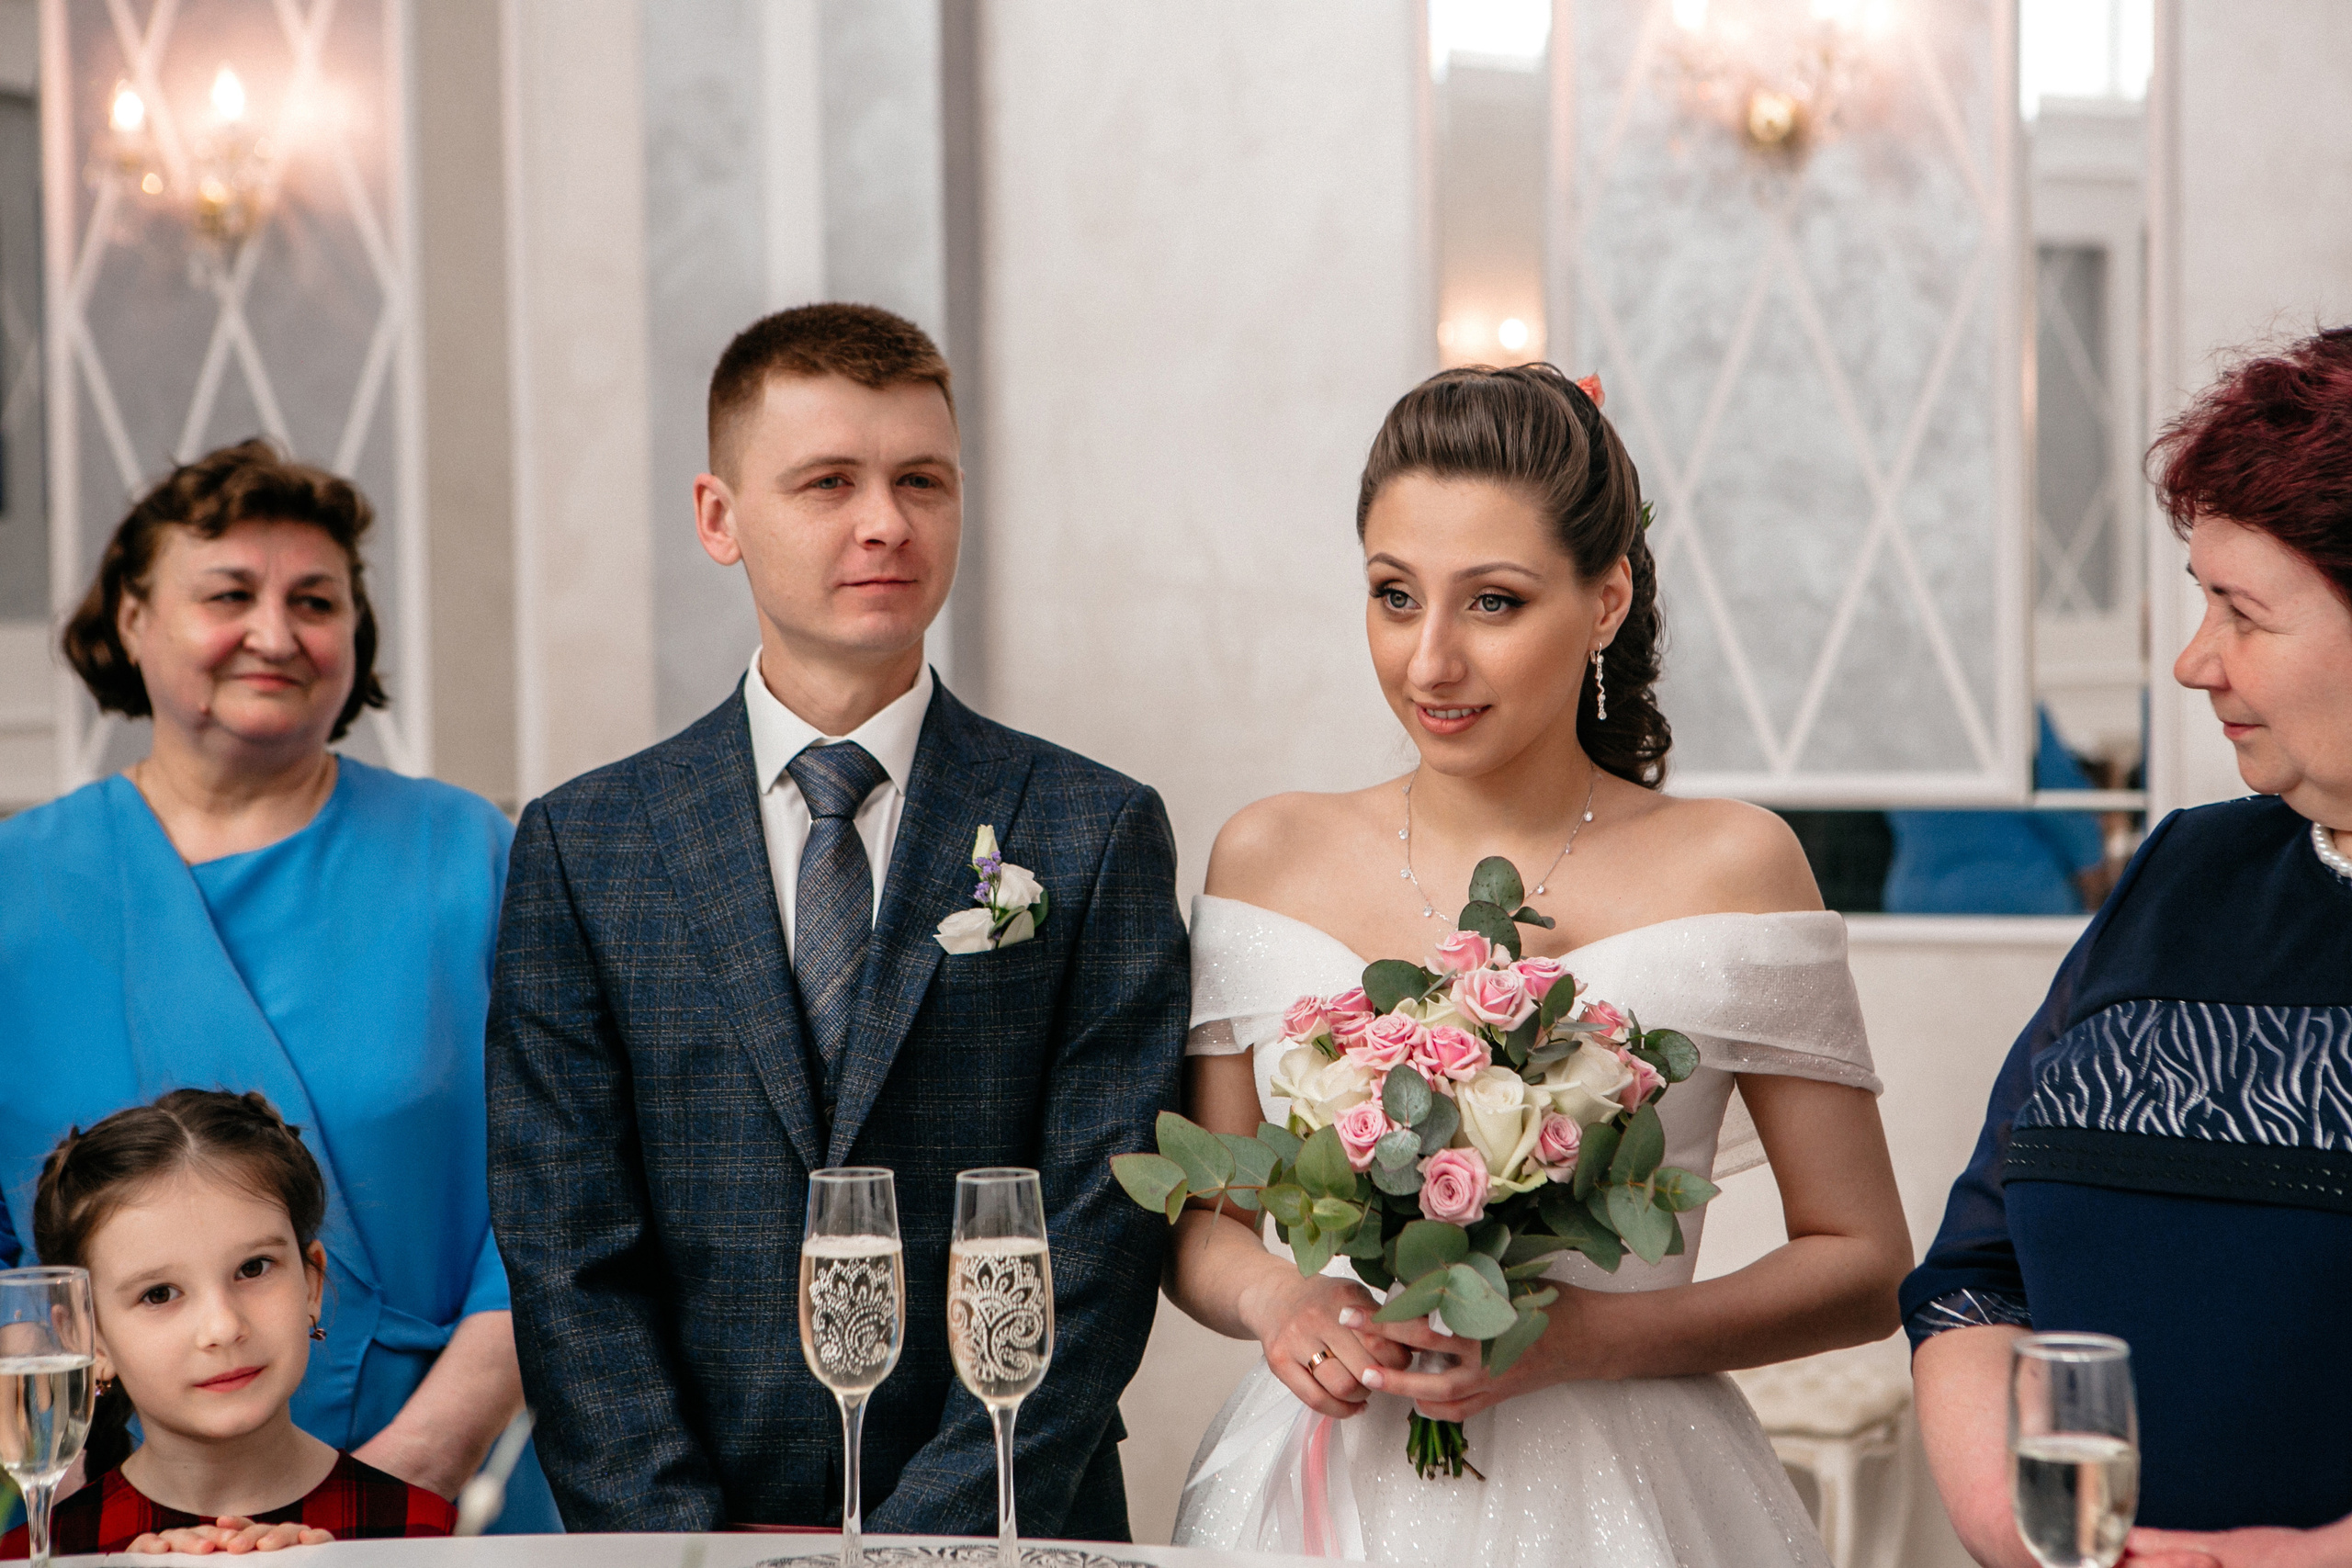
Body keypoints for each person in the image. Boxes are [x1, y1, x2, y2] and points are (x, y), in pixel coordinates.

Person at [1164, 364, 1914, 1566]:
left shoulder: (1736, 862)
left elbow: (1865, 1262)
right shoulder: (1269, 853)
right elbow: (1210, 1217)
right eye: (1394, 595)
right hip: (1324, 1491)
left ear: (1607, 597)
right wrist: (1280, 1297)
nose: (1431, 660)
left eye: (1494, 602)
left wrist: (1581, 1340)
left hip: (1631, 1488)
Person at [486, 302, 1188, 1535]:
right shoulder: (585, 846)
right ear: (719, 516)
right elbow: (567, 1257)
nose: (887, 522)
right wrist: (683, 1550)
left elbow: (1101, 1236)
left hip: (1012, 1525)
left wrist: (925, 1544)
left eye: (923, 478)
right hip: (693, 1529)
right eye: (828, 481)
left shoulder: (1095, 829)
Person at [0, 439, 556, 1531]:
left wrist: (412, 1477)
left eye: (316, 599)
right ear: (131, 620)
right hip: (98, 1499)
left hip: (452, 1480)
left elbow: (567, 1186)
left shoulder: (470, 854)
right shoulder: (15, 888)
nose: (276, 632)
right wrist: (55, 1476)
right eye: (228, 594)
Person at [1905, 327, 2352, 1568]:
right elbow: (1973, 1274)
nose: (2193, 659)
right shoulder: (2179, 873)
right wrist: (2021, 1525)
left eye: (2243, 612)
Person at [0, 1090, 457, 1558]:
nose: (222, 1327)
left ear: (312, 1283)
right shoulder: (41, 1554)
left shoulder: (422, 1531)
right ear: (86, 1338)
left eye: (254, 1268)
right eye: (158, 1294)